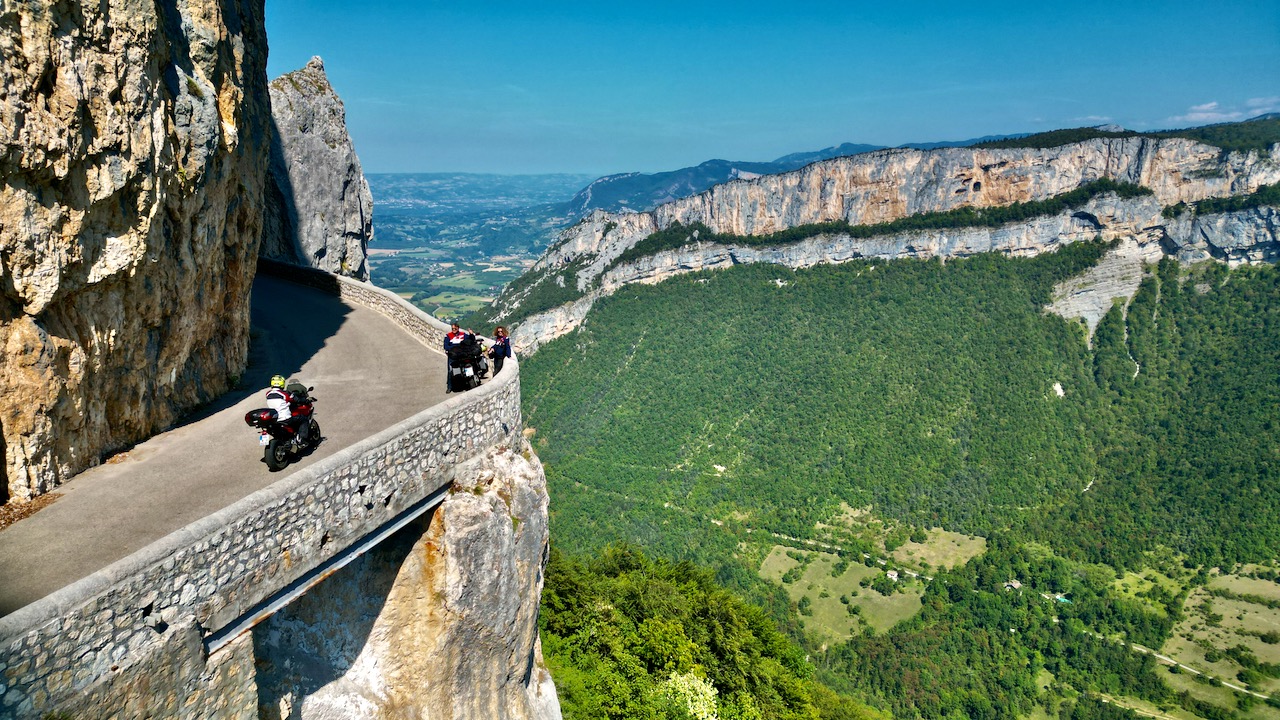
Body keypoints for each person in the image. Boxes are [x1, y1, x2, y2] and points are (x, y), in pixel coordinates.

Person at [265, 374, 310, 442]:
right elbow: (296, 399)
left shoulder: (268, 394)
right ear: (282, 383)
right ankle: (302, 440)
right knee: (303, 419)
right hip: (285, 419)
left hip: (275, 420)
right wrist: (306, 400)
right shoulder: (285, 394)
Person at [443, 323, 476, 392]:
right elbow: (446, 346)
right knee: (450, 370)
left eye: (455, 328)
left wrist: (471, 334)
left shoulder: (463, 335)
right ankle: (449, 387)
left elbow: (471, 340)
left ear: (458, 328)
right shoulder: (448, 336)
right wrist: (456, 346)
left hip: (463, 354)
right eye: (452, 329)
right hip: (453, 355)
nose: (454, 330)